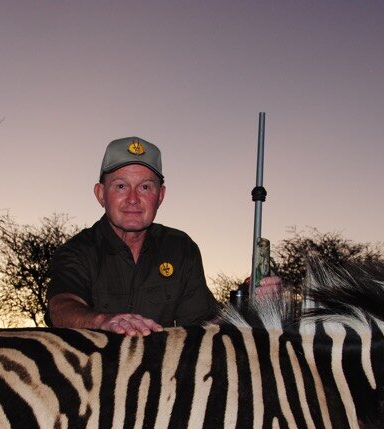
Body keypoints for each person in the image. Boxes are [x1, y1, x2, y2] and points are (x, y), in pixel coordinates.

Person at [47, 136, 281, 336]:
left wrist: (247, 306)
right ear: (100, 194)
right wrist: (103, 321)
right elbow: (62, 308)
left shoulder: (181, 248)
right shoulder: (77, 250)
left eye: (145, 187)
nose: (132, 198)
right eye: (120, 186)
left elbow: (204, 327)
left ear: (160, 196)